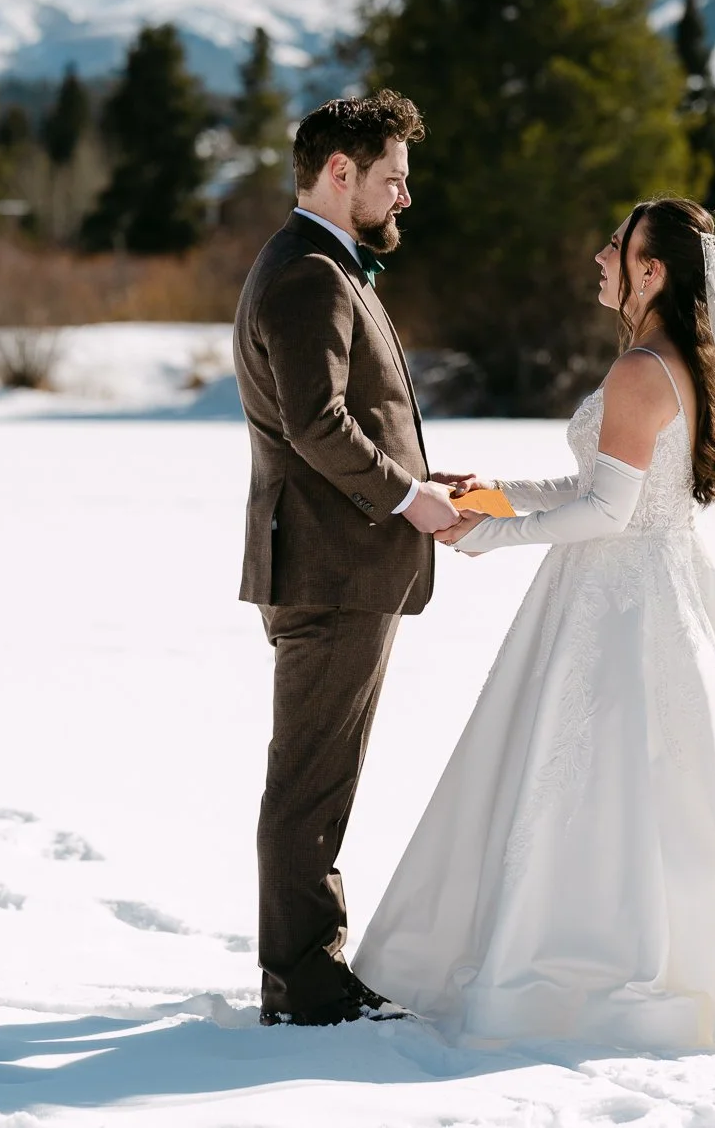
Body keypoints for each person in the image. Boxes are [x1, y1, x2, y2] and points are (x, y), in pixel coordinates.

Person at [353, 197, 715, 1060]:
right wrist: (491, 494)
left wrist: (488, 535)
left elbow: (608, 513)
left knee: (602, 777)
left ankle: (590, 962)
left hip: (621, 598)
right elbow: (600, 490)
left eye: (618, 247)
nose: (600, 257)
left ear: (653, 272)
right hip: (655, 583)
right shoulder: (670, 360)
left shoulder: (642, 370)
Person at [231, 90, 475, 1028]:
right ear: (342, 174)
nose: (404, 197)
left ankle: (306, 970)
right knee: (310, 781)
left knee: (318, 773)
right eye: (392, 179)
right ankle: (305, 983)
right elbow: (315, 422)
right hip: (330, 572)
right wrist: (409, 498)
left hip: (339, 563)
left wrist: (422, 472)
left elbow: (346, 421)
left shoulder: (327, 265)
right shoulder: (309, 275)